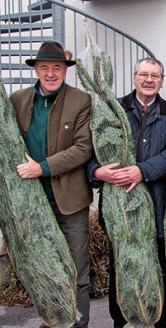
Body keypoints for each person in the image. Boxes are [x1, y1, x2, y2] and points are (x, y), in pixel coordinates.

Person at [89, 57, 166, 328]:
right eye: (143, 74)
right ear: (134, 77)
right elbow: (92, 149)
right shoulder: (111, 109)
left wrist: (143, 170)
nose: (149, 80)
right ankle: (122, 319)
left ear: (162, 80)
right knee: (122, 263)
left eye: (155, 75)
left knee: (159, 262)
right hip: (120, 205)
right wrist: (97, 172)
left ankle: (160, 318)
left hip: (158, 201)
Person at [11, 41, 93, 327]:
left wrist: (41, 168)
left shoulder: (81, 100)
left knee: (77, 272)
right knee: (45, 269)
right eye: (44, 67)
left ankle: (77, 323)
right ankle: (54, 321)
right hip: (32, 201)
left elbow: (84, 148)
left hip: (70, 201)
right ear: (35, 69)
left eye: (56, 67)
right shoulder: (18, 100)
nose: (50, 73)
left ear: (65, 71)